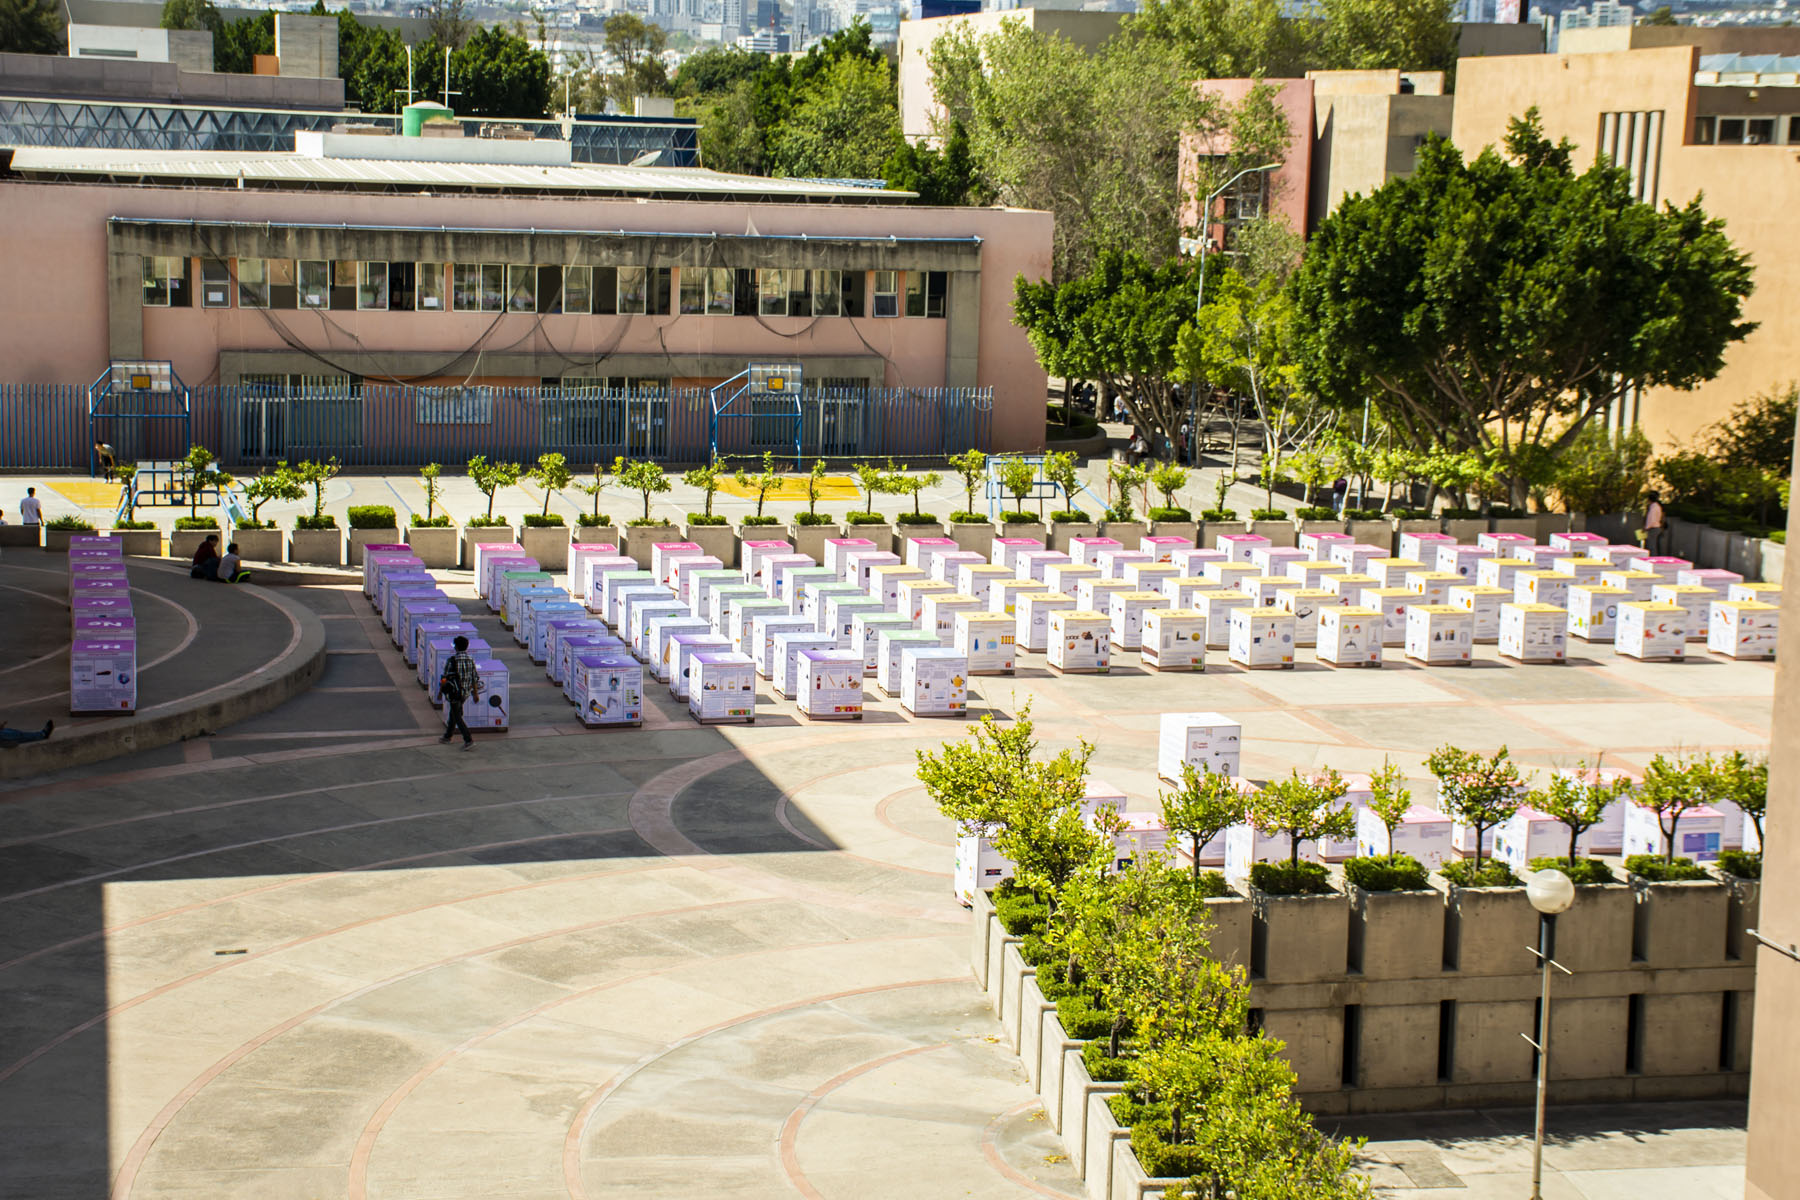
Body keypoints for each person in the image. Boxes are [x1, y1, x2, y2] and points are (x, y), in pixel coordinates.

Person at [439, 635, 482, 751]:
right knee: (454, 713)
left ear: (456, 647)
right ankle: (447, 736)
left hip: (454, 693)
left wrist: (440, 691)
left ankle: (468, 740)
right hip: (465, 693)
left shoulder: (451, 660)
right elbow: (474, 678)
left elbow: (444, 678)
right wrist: (475, 694)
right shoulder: (471, 659)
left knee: (457, 716)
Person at [1644, 490, 1668, 555]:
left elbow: (1651, 519)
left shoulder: (1654, 507)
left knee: (1651, 546)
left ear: (1649, 499)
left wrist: (1646, 528)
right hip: (1657, 528)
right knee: (1653, 546)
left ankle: (1653, 560)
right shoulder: (1657, 506)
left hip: (1653, 528)